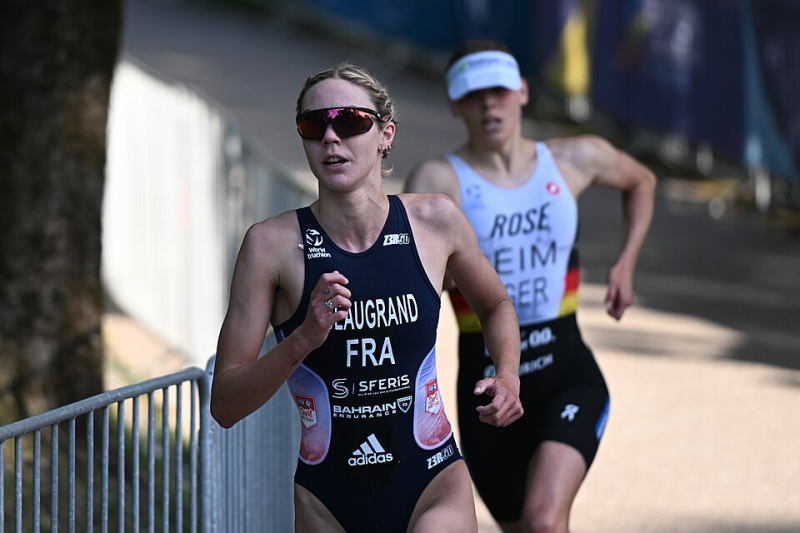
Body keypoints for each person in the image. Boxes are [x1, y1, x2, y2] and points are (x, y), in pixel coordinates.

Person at [210, 61, 524, 533]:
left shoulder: (435, 221)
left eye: (352, 121)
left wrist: (508, 375)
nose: (331, 138)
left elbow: (496, 304)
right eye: (314, 125)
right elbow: (225, 404)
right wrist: (301, 339)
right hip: (328, 500)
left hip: (433, 483)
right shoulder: (270, 247)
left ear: (385, 134)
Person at [404, 40, 656, 533]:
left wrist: (626, 264)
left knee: (545, 519)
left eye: (498, 89)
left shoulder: (573, 158)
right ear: (455, 104)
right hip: (487, 389)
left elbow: (642, 180)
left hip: (567, 371)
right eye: (473, 95)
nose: (488, 104)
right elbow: (411, 275)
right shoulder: (439, 180)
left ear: (521, 90)